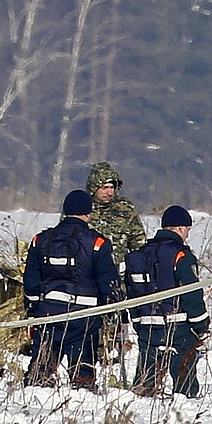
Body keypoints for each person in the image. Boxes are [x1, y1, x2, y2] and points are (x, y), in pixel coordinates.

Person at [23, 190, 119, 391]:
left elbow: (31, 282)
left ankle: (32, 406)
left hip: (48, 316)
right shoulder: (98, 243)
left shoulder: (40, 240)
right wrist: (113, 313)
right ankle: (80, 406)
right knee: (82, 377)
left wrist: (33, 310)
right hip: (84, 318)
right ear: (88, 213)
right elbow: (108, 283)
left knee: (39, 375)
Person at [125, 205, 209, 398]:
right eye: (187, 229)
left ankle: (140, 412)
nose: (187, 234)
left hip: (147, 329)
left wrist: (137, 322)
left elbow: (132, 293)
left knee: (144, 388)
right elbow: (191, 293)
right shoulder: (181, 256)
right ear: (180, 228)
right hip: (178, 329)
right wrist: (201, 325)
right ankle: (184, 410)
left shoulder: (139, 255)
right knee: (184, 387)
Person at [85, 161, 146, 379]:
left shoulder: (125, 209)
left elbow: (138, 244)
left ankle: (113, 365)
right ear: (93, 187)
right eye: (104, 187)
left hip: (117, 281)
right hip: (88, 281)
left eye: (112, 187)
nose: (109, 191)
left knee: (116, 327)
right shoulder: (83, 210)